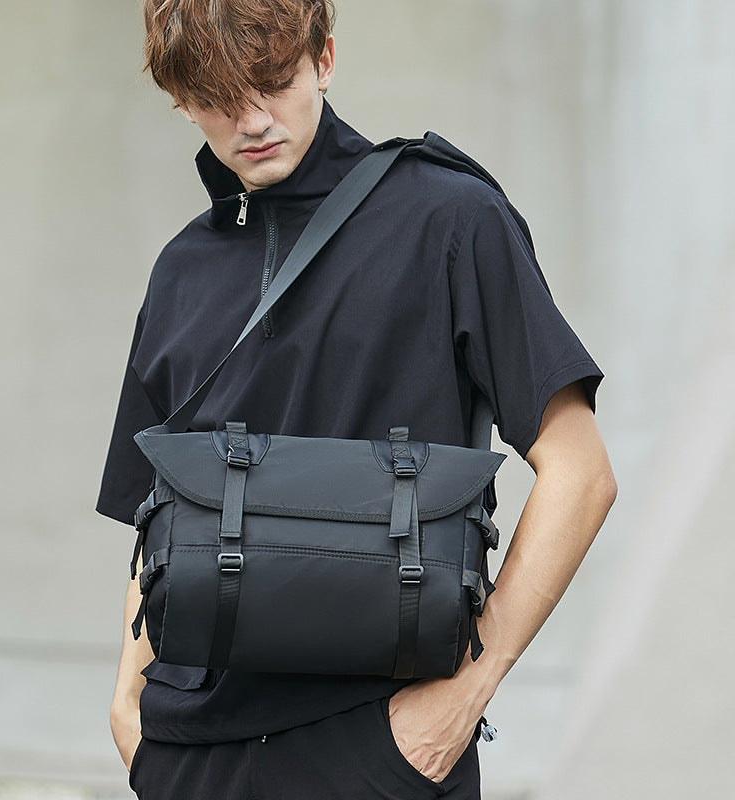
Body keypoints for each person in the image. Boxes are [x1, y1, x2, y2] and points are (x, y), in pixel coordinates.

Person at [97, 1, 618, 797]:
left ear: (325, 60)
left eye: (274, 82)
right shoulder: (180, 272)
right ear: (182, 102)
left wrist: (462, 699)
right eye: (218, 98)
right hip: (188, 754)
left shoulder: (451, 218)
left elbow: (581, 475)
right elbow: (153, 513)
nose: (252, 120)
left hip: (381, 746)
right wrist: (129, 706)